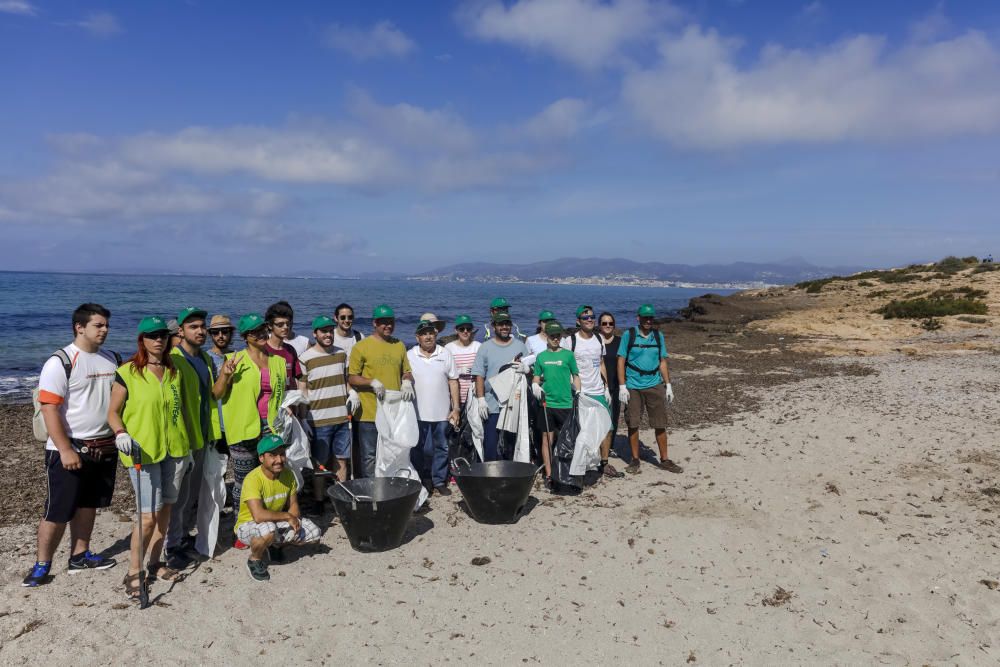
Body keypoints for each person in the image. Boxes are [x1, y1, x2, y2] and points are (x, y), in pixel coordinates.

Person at [24, 303, 120, 588]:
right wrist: (65, 449)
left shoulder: (112, 359)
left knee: (89, 504)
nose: (105, 330)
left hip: (103, 447)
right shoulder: (61, 360)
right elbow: (49, 408)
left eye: (106, 325)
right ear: (80, 327)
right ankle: (42, 564)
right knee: (57, 510)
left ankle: (80, 555)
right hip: (69, 448)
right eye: (98, 325)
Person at [108, 316, 193, 599]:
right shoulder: (128, 371)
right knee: (147, 517)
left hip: (175, 450)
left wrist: (191, 446)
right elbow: (112, 412)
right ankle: (134, 570)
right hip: (142, 451)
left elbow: (185, 409)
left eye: (163, 335)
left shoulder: (175, 368)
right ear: (142, 340)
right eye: (152, 335)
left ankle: (156, 562)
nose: (159, 340)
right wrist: (120, 432)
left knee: (166, 510)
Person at [214, 312, 288, 548]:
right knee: (244, 481)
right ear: (246, 336)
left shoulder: (276, 360)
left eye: (264, 329)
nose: (262, 333)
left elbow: (279, 395)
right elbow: (216, 394)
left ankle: (269, 523)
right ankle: (242, 528)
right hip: (243, 428)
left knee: (271, 476)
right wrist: (225, 375)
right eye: (256, 331)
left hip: (271, 427)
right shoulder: (235, 359)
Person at [164, 307, 217, 568]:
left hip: (202, 437)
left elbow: (212, 396)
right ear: (181, 331)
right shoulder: (172, 359)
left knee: (191, 495)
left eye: (202, 326)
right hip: (181, 442)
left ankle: (182, 538)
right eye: (193, 326)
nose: (200, 331)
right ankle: (171, 546)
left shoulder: (205, 359)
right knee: (177, 497)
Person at [235, 435, 320, 583]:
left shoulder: (288, 474)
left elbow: (293, 505)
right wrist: (288, 517)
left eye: (282, 454)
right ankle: (254, 560)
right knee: (268, 530)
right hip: (247, 525)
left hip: (274, 521)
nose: (279, 459)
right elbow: (258, 516)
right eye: (272, 455)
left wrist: (295, 525)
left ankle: (275, 545)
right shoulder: (253, 479)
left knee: (313, 532)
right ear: (261, 458)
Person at [348, 304, 414, 478]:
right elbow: (352, 377)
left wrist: (407, 381)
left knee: (392, 452)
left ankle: (390, 487)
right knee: (369, 456)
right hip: (368, 412)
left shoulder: (399, 345)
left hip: (394, 412)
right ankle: (372, 492)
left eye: (391, 322)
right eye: (384, 322)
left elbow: (407, 371)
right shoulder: (361, 347)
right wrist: (371, 382)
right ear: (374, 323)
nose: (388, 326)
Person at [299, 315, 358, 507]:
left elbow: (346, 380)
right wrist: (304, 417)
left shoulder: (342, 354)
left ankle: (342, 499)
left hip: (341, 417)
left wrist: (352, 392)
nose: (328, 334)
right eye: (323, 331)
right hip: (318, 420)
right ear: (315, 334)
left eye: (330, 330)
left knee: (342, 460)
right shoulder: (305, 358)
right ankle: (319, 500)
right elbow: (302, 389)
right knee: (320, 463)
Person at [617, 304, 682, 474]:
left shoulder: (658, 336)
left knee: (660, 424)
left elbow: (662, 361)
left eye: (651, 317)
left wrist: (668, 385)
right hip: (633, 386)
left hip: (654, 384)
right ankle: (635, 459)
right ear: (638, 318)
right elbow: (621, 361)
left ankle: (665, 459)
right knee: (633, 423)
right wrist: (622, 386)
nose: (648, 320)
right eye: (645, 317)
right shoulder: (628, 335)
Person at [563, 306, 622, 479]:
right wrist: (573, 388)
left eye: (591, 317)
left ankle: (604, 463)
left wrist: (605, 387)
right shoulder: (570, 341)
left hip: (599, 391)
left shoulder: (599, 338)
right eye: (585, 317)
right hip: (581, 393)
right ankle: (581, 465)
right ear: (578, 321)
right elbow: (566, 366)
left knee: (607, 428)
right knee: (582, 430)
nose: (589, 320)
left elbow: (601, 362)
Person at [407, 315, 460, 496]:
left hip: (442, 413)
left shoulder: (445, 353)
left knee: (442, 447)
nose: (428, 337)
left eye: (430, 333)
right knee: (419, 448)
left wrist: (456, 408)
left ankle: (439, 480)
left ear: (435, 335)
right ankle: (422, 479)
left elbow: (453, 381)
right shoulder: (409, 355)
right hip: (417, 413)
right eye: (423, 334)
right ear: (417, 338)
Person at [471, 312, 530, 461]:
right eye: (500, 324)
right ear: (494, 326)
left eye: (507, 324)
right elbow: (479, 375)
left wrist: (527, 369)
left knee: (510, 445)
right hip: (492, 405)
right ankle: (491, 476)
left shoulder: (520, 345)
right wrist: (481, 399)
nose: (504, 327)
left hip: (513, 404)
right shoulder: (485, 347)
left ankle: (509, 477)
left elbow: (530, 370)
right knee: (491, 444)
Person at [531, 321, 581, 483]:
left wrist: (578, 392)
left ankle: (568, 471)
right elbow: (536, 377)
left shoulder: (568, 355)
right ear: (546, 336)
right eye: (552, 335)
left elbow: (576, 375)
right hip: (547, 405)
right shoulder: (541, 357)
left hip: (566, 403)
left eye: (557, 335)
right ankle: (549, 474)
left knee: (568, 440)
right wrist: (535, 386)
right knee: (547, 439)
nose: (555, 338)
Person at [264, 301, 305, 392]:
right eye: (280, 324)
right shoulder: (263, 350)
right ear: (270, 326)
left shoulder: (290, 349)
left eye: (288, 323)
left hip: (290, 399)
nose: (285, 327)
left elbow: (298, 377)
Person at [443, 315, 480, 409]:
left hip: (475, 397)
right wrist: (458, 371)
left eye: (468, 328)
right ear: (456, 330)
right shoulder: (449, 348)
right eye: (462, 329)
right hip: (456, 398)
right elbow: (443, 373)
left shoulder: (478, 346)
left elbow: (484, 370)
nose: (465, 331)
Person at [597, 311, 623, 439]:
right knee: (597, 418)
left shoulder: (620, 342)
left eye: (611, 323)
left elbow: (626, 363)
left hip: (616, 386)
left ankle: (610, 445)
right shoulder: (594, 341)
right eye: (604, 323)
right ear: (599, 325)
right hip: (597, 386)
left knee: (614, 416)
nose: (608, 325)